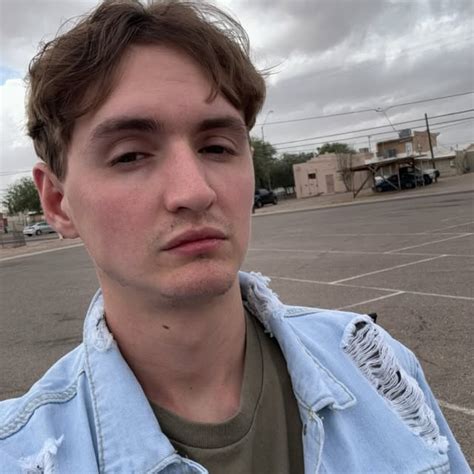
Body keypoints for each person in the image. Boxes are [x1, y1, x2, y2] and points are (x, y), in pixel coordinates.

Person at [0, 1, 469, 473]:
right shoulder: (19, 454)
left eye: (217, 147)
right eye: (129, 156)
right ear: (57, 202)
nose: (194, 191)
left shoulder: (376, 365)